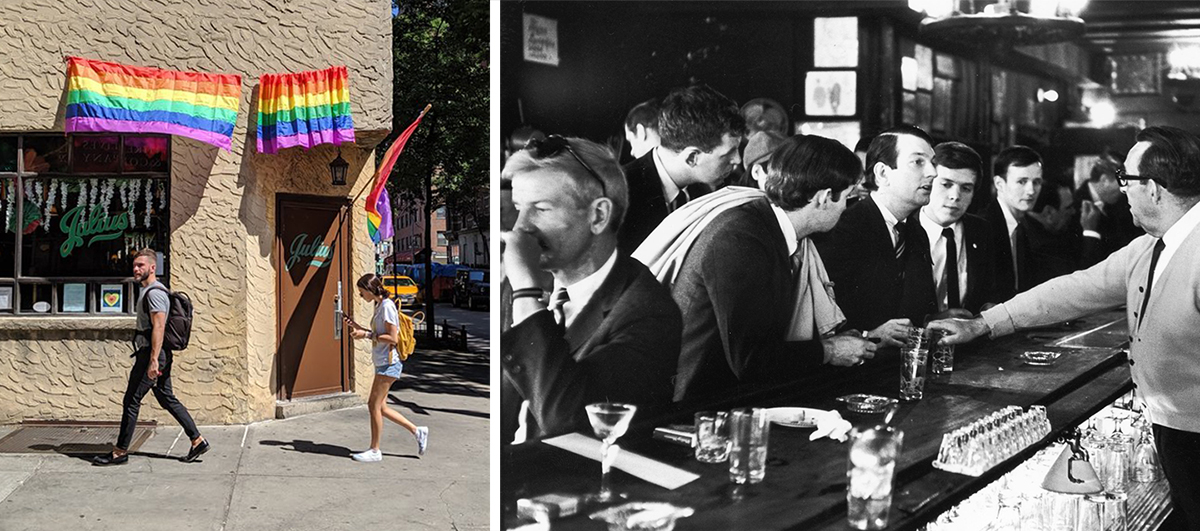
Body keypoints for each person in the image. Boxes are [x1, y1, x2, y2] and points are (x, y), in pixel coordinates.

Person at [929, 126, 1200, 531]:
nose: (1121, 189)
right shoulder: (1151, 245)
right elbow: (1075, 289)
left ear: (1155, 189)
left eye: (1126, 179)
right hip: (1171, 425)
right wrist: (985, 324)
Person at [501, 135, 681, 442]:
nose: (521, 227)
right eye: (518, 208)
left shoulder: (648, 312)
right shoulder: (518, 284)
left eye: (541, 209)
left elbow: (568, 420)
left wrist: (527, 295)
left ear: (598, 216)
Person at [670, 135, 876, 402]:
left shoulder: (765, 225)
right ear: (825, 198)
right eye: (847, 198)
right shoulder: (741, 240)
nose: (846, 209)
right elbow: (751, 360)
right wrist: (830, 351)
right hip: (703, 409)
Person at [814, 125, 939, 348]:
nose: (933, 172)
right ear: (882, 174)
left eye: (932, 162)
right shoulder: (842, 227)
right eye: (918, 162)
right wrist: (868, 334)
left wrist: (934, 320)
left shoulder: (916, 232)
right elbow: (822, 320)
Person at [93, 249, 209, 466]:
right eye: (135, 265)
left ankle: (120, 452)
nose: (136, 269)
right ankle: (197, 440)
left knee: (131, 400)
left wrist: (154, 360)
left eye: (141, 266)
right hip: (156, 353)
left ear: (152, 268)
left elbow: (159, 326)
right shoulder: (149, 290)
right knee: (166, 397)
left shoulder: (155, 293)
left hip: (152, 354)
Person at [618, 84, 745, 255]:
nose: (737, 160)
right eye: (728, 153)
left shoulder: (704, 189)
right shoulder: (620, 193)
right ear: (692, 158)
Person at [343, 274, 428, 462]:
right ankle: (417, 431)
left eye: (361, 291)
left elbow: (392, 338)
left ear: (369, 288)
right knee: (381, 407)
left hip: (389, 363)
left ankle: (375, 450)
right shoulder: (380, 305)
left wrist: (365, 335)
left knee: (373, 405)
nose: (360, 295)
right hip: (383, 362)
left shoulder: (387, 307)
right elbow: (376, 333)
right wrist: (358, 328)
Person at [919, 142, 997, 314]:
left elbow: (989, 292)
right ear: (928, 183)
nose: (955, 196)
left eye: (966, 188)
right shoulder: (904, 229)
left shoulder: (981, 231)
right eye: (946, 185)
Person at [983, 145, 1044, 301]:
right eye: (1022, 182)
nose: (1031, 191)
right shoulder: (983, 226)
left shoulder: (1030, 226)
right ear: (999, 184)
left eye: (1036, 182)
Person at [1075, 152, 1144, 266]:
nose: (1124, 189)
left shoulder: (1118, 204)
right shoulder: (1074, 205)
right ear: (1105, 180)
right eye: (1122, 182)